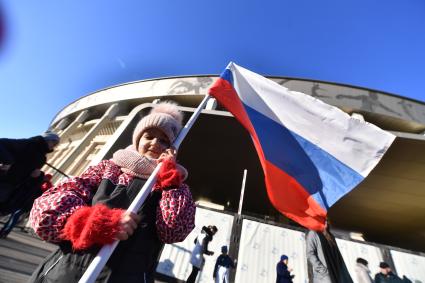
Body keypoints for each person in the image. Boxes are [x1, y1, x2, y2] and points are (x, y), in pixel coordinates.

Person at [28, 102, 196, 283]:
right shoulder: (108, 169)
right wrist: (95, 223)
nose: (155, 142)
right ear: (138, 139)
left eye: (164, 140)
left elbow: (175, 231)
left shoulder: (175, 186)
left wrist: (170, 182)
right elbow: (45, 210)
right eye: (149, 136)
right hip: (67, 273)